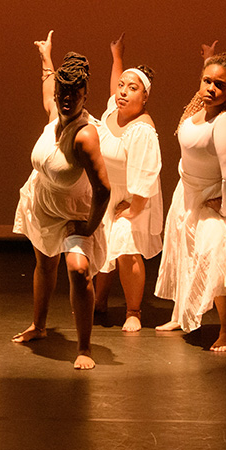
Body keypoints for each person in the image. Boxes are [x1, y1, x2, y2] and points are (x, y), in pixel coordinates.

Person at [12, 30, 111, 369]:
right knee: (45, 265)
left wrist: (90, 227)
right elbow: (47, 85)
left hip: (73, 212)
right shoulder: (54, 114)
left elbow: (103, 189)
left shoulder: (84, 136)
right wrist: (45, 56)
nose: (67, 98)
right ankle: (39, 325)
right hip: (43, 203)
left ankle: (84, 347)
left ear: (85, 94)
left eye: (74, 93)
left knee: (79, 270)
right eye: (62, 92)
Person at [154, 43, 226, 351]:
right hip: (189, 190)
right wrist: (209, 60)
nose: (211, 88)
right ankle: (182, 314)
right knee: (185, 249)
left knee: (217, 254)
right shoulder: (197, 109)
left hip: (217, 194)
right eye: (206, 80)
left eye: (219, 84)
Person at [92, 33, 164, 332]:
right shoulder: (114, 107)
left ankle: (133, 311)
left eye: (132, 88)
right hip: (111, 192)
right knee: (102, 242)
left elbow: (146, 176)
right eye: (122, 86)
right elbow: (115, 85)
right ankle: (99, 300)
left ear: (144, 97)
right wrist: (117, 56)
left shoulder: (142, 130)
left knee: (124, 244)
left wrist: (133, 209)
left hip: (135, 197)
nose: (122, 92)